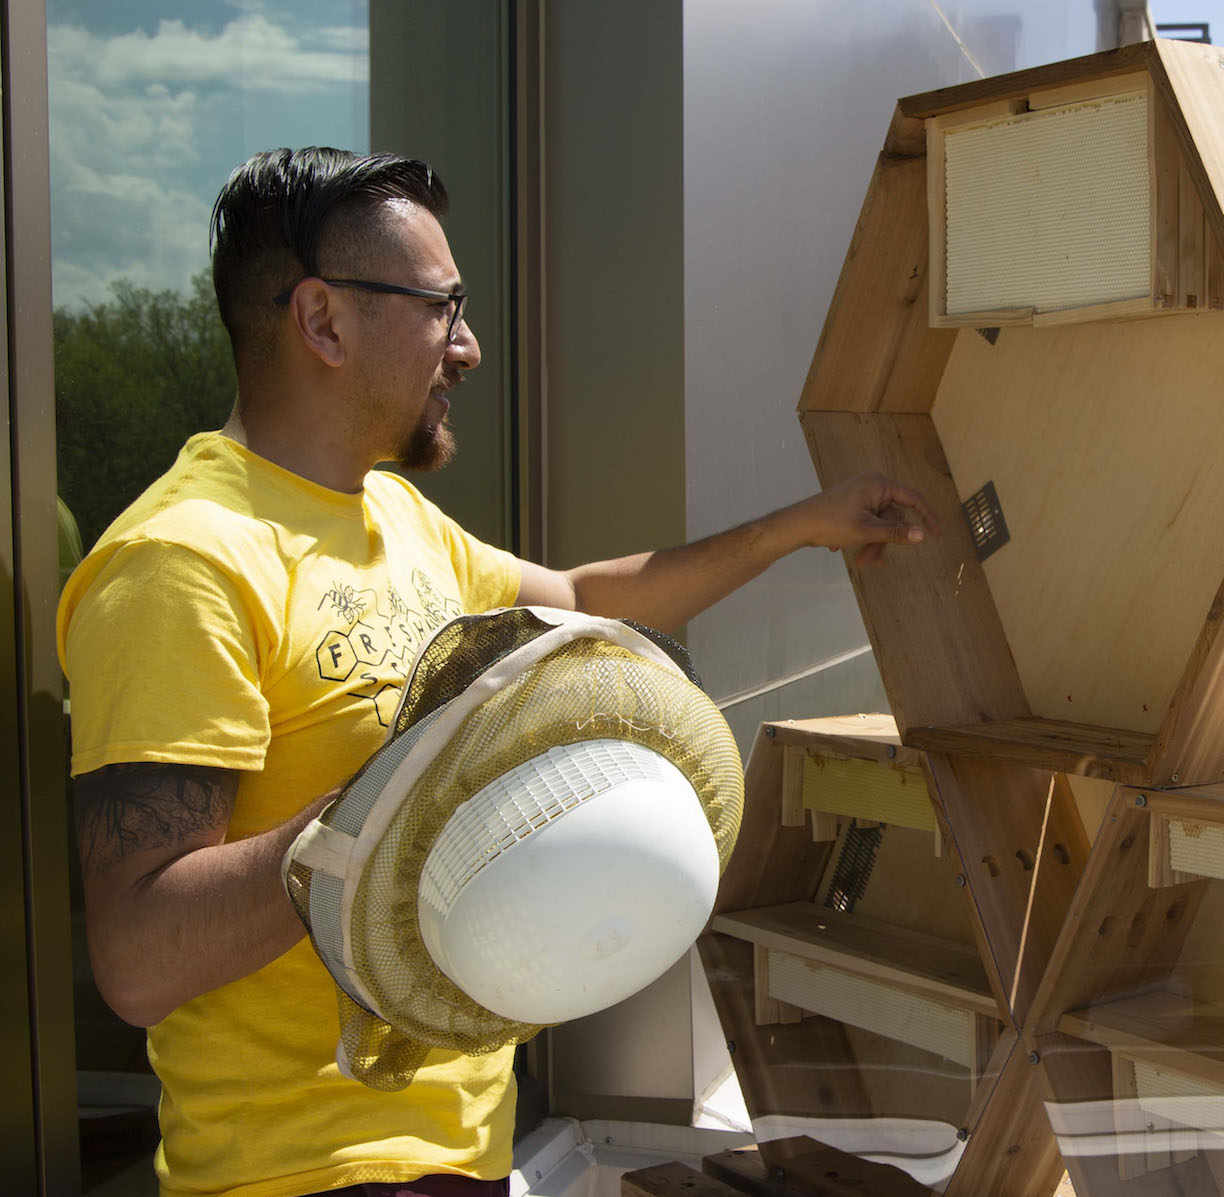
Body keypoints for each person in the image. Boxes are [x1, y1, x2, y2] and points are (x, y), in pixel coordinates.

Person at [55, 147, 937, 1197]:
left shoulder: (391, 515)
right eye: (441, 308)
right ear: (324, 321)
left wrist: (798, 528)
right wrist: (402, 803)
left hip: (468, 1161)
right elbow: (139, 958)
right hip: (303, 1175)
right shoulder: (183, 564)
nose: (467, 347)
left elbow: (577, 599)